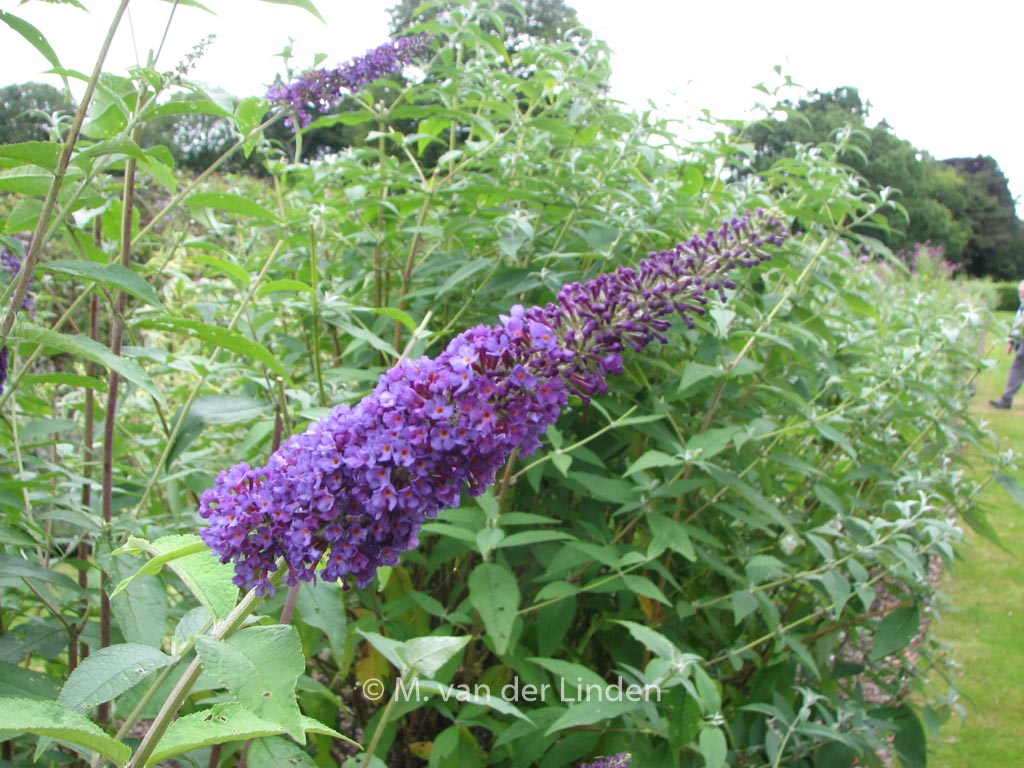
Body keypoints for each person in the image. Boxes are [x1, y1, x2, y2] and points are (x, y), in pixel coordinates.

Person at [990, 279, 1024, 409]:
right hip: (1021, 341)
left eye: (1023, 292)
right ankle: (1006, 399)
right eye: (1020, 292)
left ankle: (1006, 399)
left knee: (1018, 367)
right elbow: (1017, 326)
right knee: (1018, 368)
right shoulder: (1021, 307)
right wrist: (1011, 342)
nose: (1021, 295)